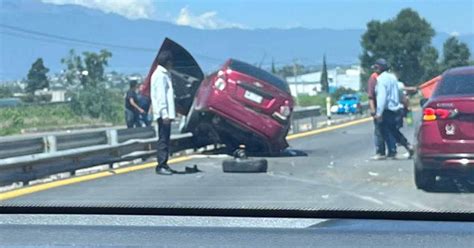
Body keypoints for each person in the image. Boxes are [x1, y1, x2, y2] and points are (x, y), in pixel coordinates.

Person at [374, 59, 414, 159]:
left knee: (383, 131)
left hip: (387, 110)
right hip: (396, 108)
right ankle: (406, 146)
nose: (375, 70)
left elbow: (382, 97)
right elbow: (400, 91)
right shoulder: (392, 78)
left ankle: (392, 150)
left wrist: (379, 113)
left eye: (376, 67)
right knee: (393, 130)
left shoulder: (381, 79)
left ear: (379, 68)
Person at [150, 51, 176, 175]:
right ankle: (161, 165)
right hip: (163, 114)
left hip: (165, 114)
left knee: (165, 138)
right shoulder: (160, 75)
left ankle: (164, 163)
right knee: (163, 139)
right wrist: (165, 114)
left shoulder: (164, 74)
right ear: (167, 62)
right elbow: (161, 97)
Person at [368, 64, 395, 160]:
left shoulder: (378, 78)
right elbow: (371, 96)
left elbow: (372, 96)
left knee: (380, 131)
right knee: (387, 130)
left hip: (382, 108)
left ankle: (381, 151)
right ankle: (390, 150)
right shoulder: (389, 77)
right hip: (388, 108)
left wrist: (375, 111)